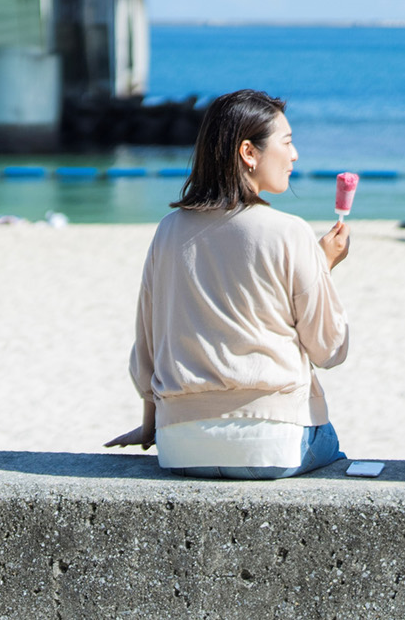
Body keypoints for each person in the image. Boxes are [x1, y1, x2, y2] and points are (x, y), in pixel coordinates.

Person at [106, 89, 352, 479]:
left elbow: (148, 341)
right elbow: (330, 349)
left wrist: (151, 423)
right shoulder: (290, 233)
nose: (295, 155)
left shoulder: (169, 231)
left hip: (180, 443)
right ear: (248, 153)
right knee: (333, 449)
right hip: (273, 439)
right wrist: (322, 267)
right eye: (286, 143)